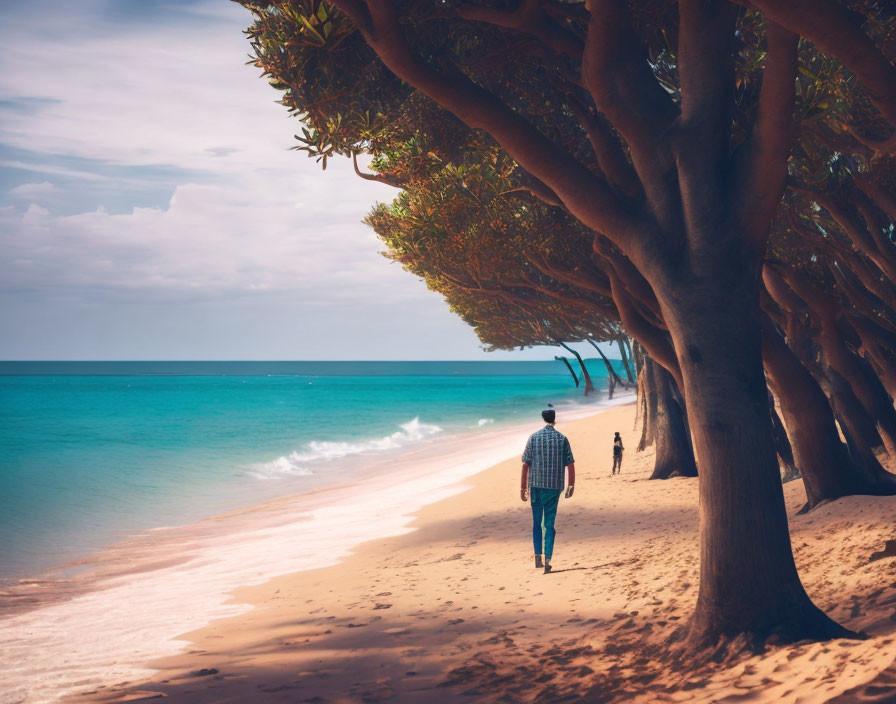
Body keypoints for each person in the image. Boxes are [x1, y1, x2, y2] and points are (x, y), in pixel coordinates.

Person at [520, 405, 575, 574]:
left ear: (544, 419)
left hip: (535, 486)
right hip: (553, 487)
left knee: (537, 523)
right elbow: (570, 464)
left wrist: (523, 488)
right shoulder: (562, 439)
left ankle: (538, 557)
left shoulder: (533, 438)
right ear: (554, 420)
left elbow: (525, 464)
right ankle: (548, 559)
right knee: (549, 524)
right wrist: (571, 485)